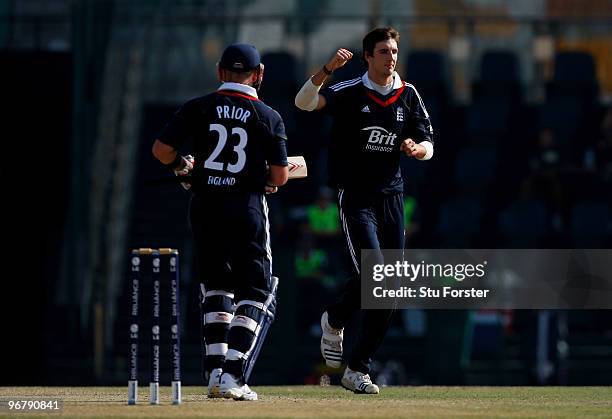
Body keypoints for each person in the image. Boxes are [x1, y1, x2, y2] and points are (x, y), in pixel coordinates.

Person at [294, 27, 434, 394]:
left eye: (394, 51)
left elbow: (428, 142)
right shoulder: (348, 91)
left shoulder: (409, 94)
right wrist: (326, 70)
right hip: (356, 198)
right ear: (368, 56)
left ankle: (357, 367)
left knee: (390, 285)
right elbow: (303, 102)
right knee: (376, 273)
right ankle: (336, 319)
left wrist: (417, 150)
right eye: (384, 52)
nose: (391, 57)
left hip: (392, 198)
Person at [152, 43, 288, 401]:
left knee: (216, 286)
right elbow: (279, 177)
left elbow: (162, 151)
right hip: (245, 209)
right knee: (256, 291)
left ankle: (215, 374)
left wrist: (184, 168)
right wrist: (264, 178)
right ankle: (232, 375)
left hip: (205, 206)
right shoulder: (268, 115)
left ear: (219, 71)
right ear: (258, 75)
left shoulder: (198, 107)